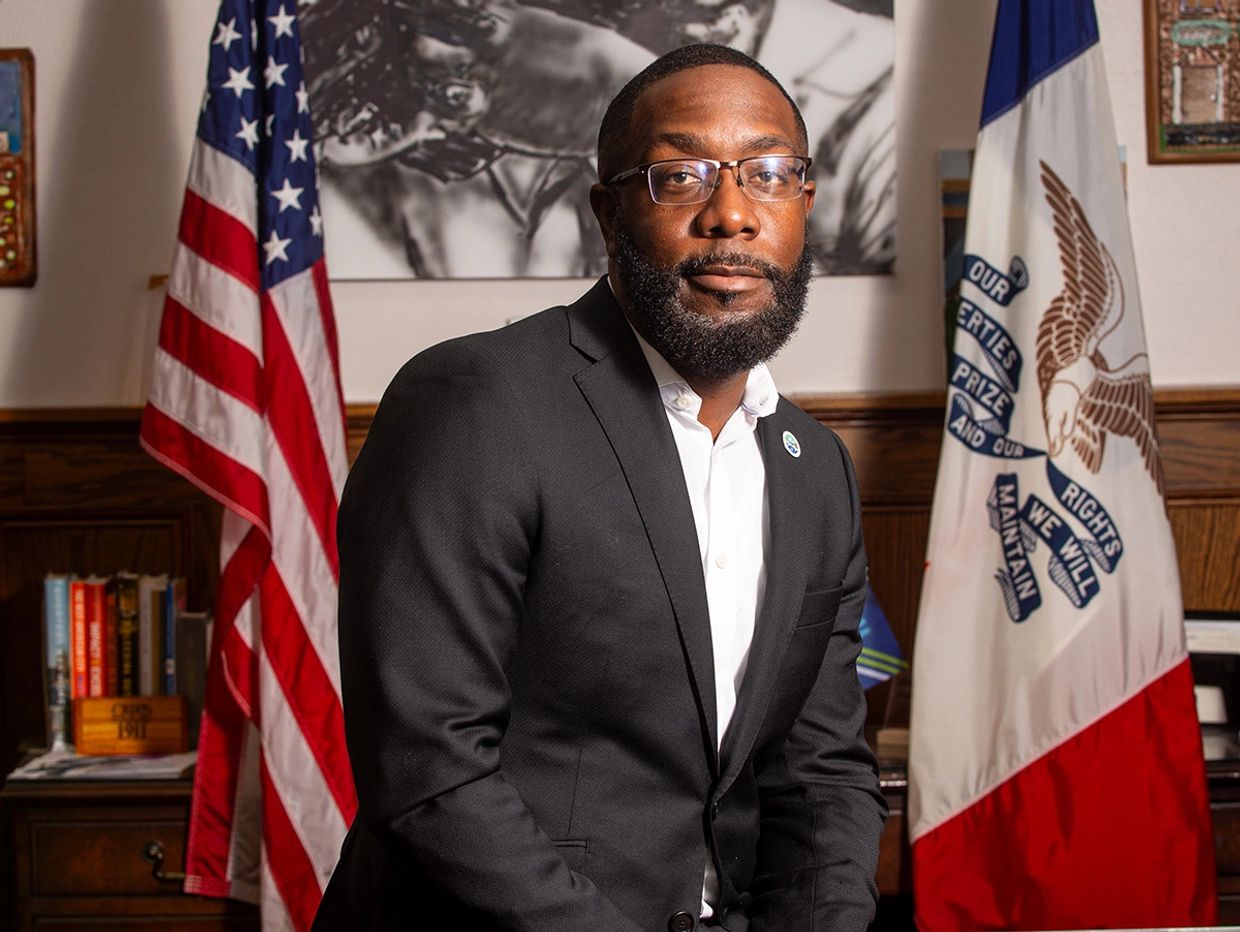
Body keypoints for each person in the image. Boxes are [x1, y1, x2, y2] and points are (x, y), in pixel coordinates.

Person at [313, 43, 886, 931]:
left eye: (769, 173)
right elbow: (430, 773)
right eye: (681, 175)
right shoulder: (473, 405)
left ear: (804, 205)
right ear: (608, 215)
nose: (731, 213)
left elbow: (823, 775)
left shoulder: (814, 470)